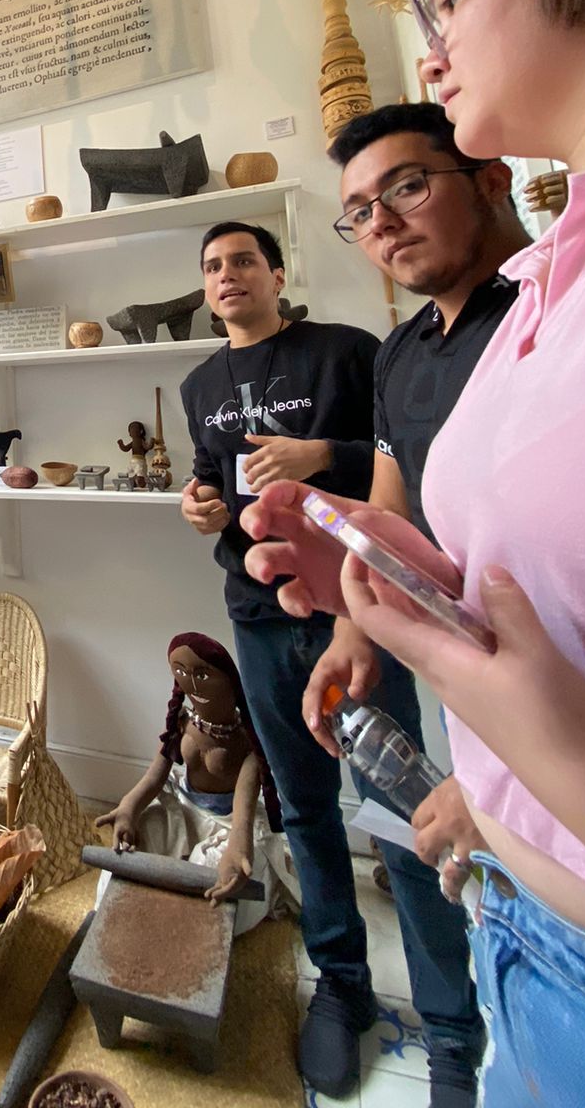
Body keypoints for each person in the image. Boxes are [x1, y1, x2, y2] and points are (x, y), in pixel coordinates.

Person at [243, 0, 585, 1106]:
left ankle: (442, 1044)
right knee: (368, 833)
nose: (434, 37)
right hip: (527, 893)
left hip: (563, 912)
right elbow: (422, 515)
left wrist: (532, 773)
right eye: (356, 212)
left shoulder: (536, 297)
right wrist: (365, 601)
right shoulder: (485, 327)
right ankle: (422, 1021)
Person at [179, 223, 480, 1103]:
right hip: (260, 620)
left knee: (409, 819)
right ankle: (341, 987)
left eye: (242, 261)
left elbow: (398, 470)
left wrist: (323, 456)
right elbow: (212, 484)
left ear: (277, 272)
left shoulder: (350, 354)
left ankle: (454, 1029)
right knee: (306, 812)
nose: (227, 276)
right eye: (212, 268)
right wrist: (201, 508)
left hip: (356, 612)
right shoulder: (202, 384)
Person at [303, 104, 528, 920]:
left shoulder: (552, 312)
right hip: (478, 699)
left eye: (407, 187)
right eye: (360, 213)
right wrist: (351, 629)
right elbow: (388, 509)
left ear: (492, 179)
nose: (383, 224)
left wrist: (515, 785)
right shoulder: (401, 352)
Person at [96, 631, 297, 934]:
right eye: (182, 672)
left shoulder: (247, 742)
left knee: (219, 875)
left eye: (203, 674)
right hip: (183, 806)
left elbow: (243, 807)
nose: (192, 680)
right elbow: (156, 773)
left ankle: (188, 929)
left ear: (230, 684)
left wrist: (239, 847)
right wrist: (129, 807)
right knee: (131, 849)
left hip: (228, 821)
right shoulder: (182, 723)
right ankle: (118, 917)